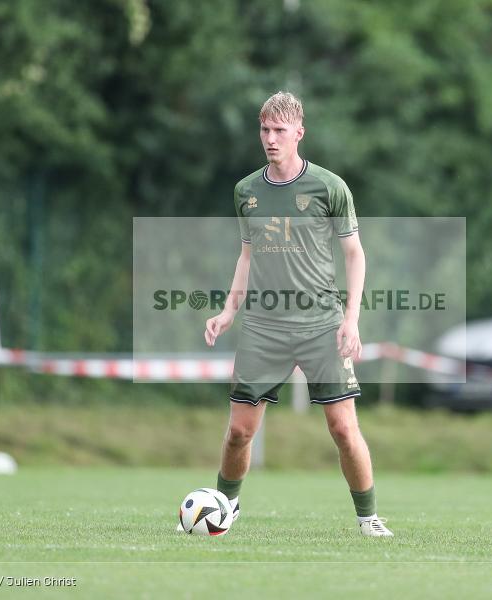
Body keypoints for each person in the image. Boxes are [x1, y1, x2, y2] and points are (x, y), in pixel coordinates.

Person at [195, 92, 392, 536]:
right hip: (263, 326)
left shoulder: (329, 187)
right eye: (265, 129)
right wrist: (228, 311)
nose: (270, 138)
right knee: (239, 432)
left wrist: (351, 318)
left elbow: (355, 254)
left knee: (343, 429)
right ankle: (224, 508)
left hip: (321, 325)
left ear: (299, 133)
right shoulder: (246, 191)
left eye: (279, 130)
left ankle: (369, 518)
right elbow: (247, 256)